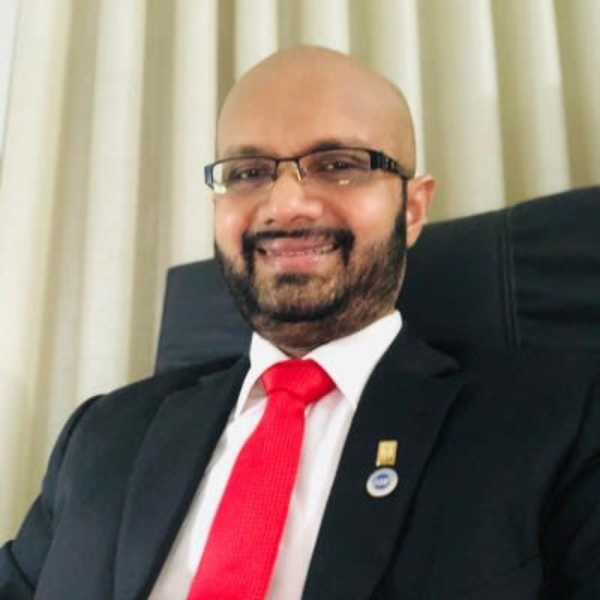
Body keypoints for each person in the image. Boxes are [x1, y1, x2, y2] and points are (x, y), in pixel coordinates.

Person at [1, 45, 599, 600]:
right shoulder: (102, 436)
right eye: (248, 172)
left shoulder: (557, 422)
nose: (285, 205)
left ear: (412, 209)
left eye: (338, 164)